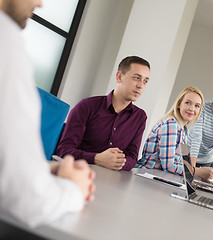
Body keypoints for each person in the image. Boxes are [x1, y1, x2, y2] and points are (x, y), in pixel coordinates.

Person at [0, 0, 95, 227]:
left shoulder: (139, 117)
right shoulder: (6, 39)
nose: (40, 3)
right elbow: (26, 200)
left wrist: (37, 170)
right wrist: (74, 188)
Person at [56, 56, 150, 171]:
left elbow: (132, 158)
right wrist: (97, 158)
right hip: (78, 174)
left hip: (112, 180)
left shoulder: (140, 117)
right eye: (136, 78)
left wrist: (116, 162)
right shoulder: (86, 106)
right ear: (119, 76)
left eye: (145, 81)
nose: (140, 85)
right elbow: (64, 150)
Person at [137, 87, 213, 179]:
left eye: (197, 106)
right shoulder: (171, 124)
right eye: (188, 103)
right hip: (145, 176)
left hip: (158, 177)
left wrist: (195, 172)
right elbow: (169, 166)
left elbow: (182, 162)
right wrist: (195, 172)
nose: (192, 109)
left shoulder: (184, 129)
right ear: (179, 104)